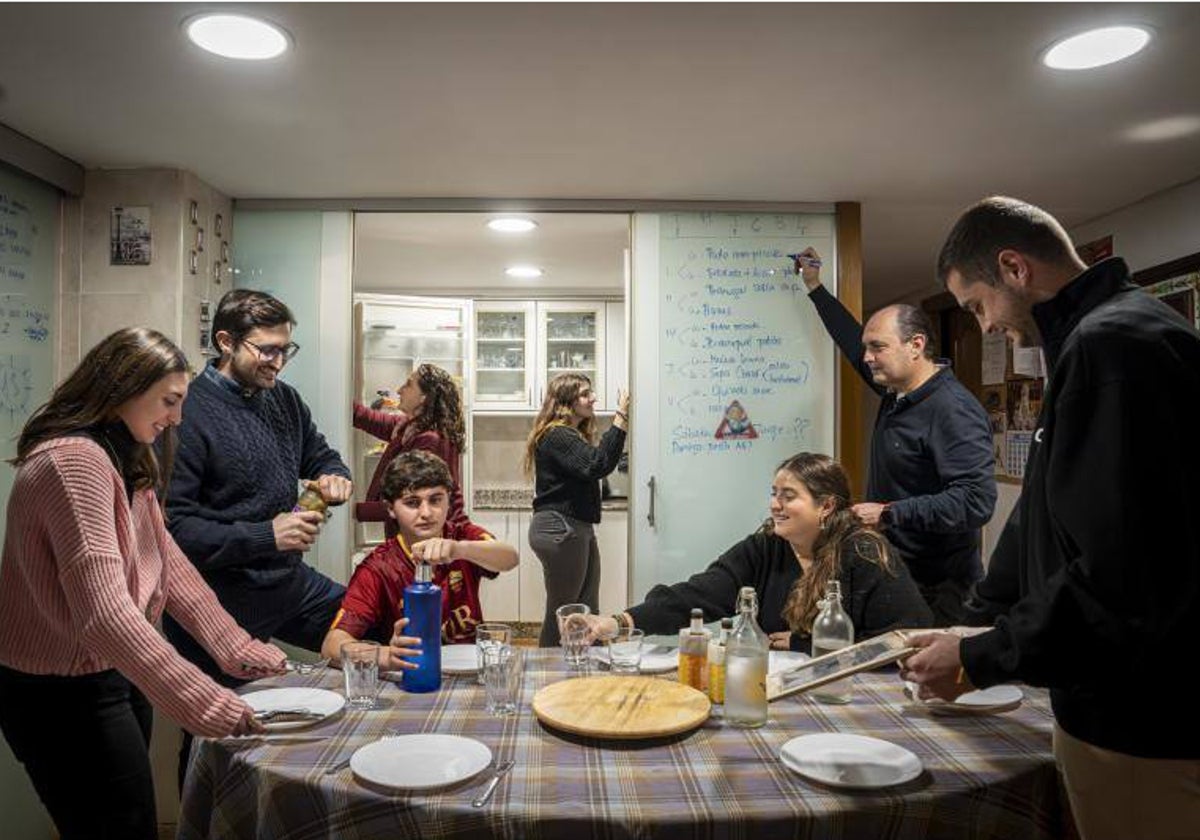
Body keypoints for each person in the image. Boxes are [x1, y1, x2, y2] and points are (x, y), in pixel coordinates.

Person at [902, 196, 1200, 840]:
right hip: (1107, 701)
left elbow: (1122, 573)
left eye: (977, 306)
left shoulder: (1114, 347)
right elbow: (1038, 517)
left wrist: (983, 656)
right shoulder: (1099, 342)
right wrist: (974, 624)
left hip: (1144, 718)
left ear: (1014, 267)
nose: (981, 328)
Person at [0, 328, 286, 840]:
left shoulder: (121, 452)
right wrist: (205, 701)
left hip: (107, 671)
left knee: (130, 822)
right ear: (122, 389)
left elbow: (168, 564)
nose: (177, 417)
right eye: (170, 401)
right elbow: (105, 615)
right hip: (58, 690)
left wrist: (235, 648)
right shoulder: (75, 461)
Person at [163, 289, 352, 784]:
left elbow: (323, 456)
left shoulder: (284, 400)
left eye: (286, 349)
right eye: (266, 350)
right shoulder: (189, 411)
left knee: (372, 624)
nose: (278, 362)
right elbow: (174, 530)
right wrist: (265, 536)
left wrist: (334, 476)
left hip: (287, 583)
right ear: (225, 342)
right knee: (217, 732)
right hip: (214, 599)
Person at [794, 247, 996, 625]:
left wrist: (889, 513)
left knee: (926, 681)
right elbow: (850, 340)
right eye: (868, 348)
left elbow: (976, 501)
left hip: (942, 589)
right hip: (898, 571)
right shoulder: (897, 392)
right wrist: (815, 286)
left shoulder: (953, 410)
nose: (868, 357)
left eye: (878, 348)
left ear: (916, 345)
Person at [575, 453, 932, 650]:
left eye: (788, 496)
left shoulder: (864, 553)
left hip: (853, 694)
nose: (775, 505)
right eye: (774, 493)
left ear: (826, 505)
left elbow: (904, 637)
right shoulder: (766, 547)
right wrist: (617, 622)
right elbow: (699, 594)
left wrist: (806, 644)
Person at [322, 450, 518, 668]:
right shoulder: (378, 567)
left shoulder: (461, 536)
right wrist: (384, 655)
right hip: (414, 672)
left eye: (435, 500)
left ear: (449, 500)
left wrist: (460, 550)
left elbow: (510, 558)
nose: (426, 512)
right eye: (412, 503)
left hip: (471, 668)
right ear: (390, 509)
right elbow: (331, 645)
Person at [524, 373, 630, 646]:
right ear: (565, 402)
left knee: (585, 608)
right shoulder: (557, 434)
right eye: (585, 394)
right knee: (565, 611)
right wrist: (621, 416)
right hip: (561, 527)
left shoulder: (566, 435)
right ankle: (546, 672)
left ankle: (583, 673)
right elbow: (597, 464)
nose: (593, 398)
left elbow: (592, 467)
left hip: (573, 527)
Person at [353, 363, 467, 539]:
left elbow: (414, 501)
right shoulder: (410, 428)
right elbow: (367, 418)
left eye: (408, 384)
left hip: (422, 541)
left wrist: (355, 510)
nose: (399, 390)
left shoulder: (429, 440)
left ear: (424, 397)